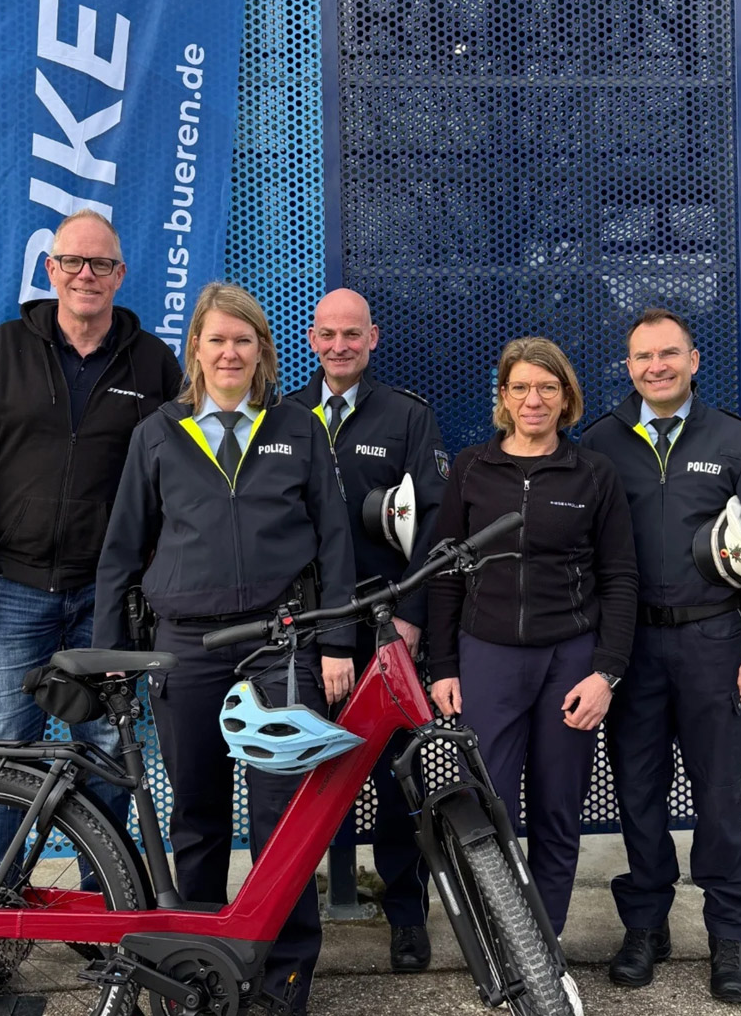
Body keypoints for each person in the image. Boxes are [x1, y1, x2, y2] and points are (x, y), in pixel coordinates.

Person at [92, 282, 356, 1016]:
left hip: (281, 649)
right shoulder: (159, 433)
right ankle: (199, 974)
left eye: (244, 340)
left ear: (262, 352)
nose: (230, 352)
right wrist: (113, 647)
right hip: (186, 650)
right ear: (197, 352)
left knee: (284, 825)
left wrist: (337, 640)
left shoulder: (297, 428)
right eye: (217, 340)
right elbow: (121, 550)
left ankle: (284, 982)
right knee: (199, 819)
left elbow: (335, 542)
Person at [0, 209, 183, 864]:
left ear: (121, 275)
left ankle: (102, 914)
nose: (85, 275)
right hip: (16, 593)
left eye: (101, 264)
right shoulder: (4, 351)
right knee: (4, 757)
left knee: (105, 758)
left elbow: (175, 484)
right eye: (72, 261)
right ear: (50, 269)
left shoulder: (155, 365)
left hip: (107, 600)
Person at [581, 307, 741, 1005]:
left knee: (718, 796)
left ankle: (728, 936)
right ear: (628, 365)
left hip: (714, 643)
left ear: (694, 359)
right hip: (631, 648)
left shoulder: (735, 441)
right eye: (644, 356)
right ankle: (645, 927)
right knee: (638, 793)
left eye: (669, 354)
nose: (656, 367)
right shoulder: (599, 445)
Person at [427, 336, 639, 938]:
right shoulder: (472, 467)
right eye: (520, 387)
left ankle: (545, 945)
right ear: (503, 396)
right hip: (487, 657)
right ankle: (500, 938)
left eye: (547, 387)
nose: (533, 399)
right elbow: (445, 573)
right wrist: (443, 665)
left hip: (569, 659)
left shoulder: (594, 472)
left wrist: (606, 672)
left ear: (566, 395)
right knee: (486, 809)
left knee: (557, 809)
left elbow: (621, 577)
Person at [291, 287, 449, 973]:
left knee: (397, 781)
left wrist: (412, 621)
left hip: (387, 630)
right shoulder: (285, 414)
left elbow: (435, 525)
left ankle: (406, 915)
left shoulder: (407, 417)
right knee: (303, 780)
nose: (339, 346)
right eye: (328, 334)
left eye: (352, 334)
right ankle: (291, 928)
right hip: (305, 630)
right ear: (311, 339)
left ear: (373, 338)